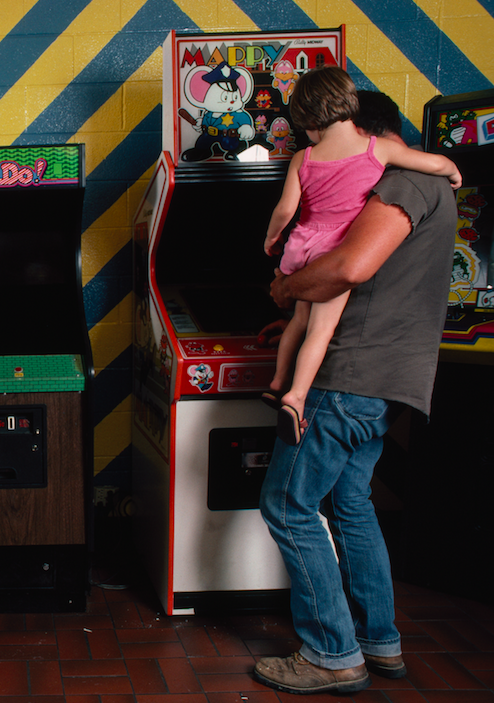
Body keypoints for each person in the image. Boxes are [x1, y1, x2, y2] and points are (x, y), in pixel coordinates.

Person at [253, 90, 459, 694]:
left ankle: (331, 653)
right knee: (351, 503)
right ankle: (378, 641)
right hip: (391, 377)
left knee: (288, 504)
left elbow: (348, 268)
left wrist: (288, 292)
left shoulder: (400, 183)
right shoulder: (424, 184)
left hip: (351, 376)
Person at [261, 67, 460, 445]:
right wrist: (452, 170)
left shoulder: (308, 159)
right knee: (320, 330)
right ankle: (293, 393)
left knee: (297, 324)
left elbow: (338, 258)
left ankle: (282, 386)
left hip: (304, 254)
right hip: (381, 365)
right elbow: (368, 270)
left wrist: (277, 259)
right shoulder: (384, 160)